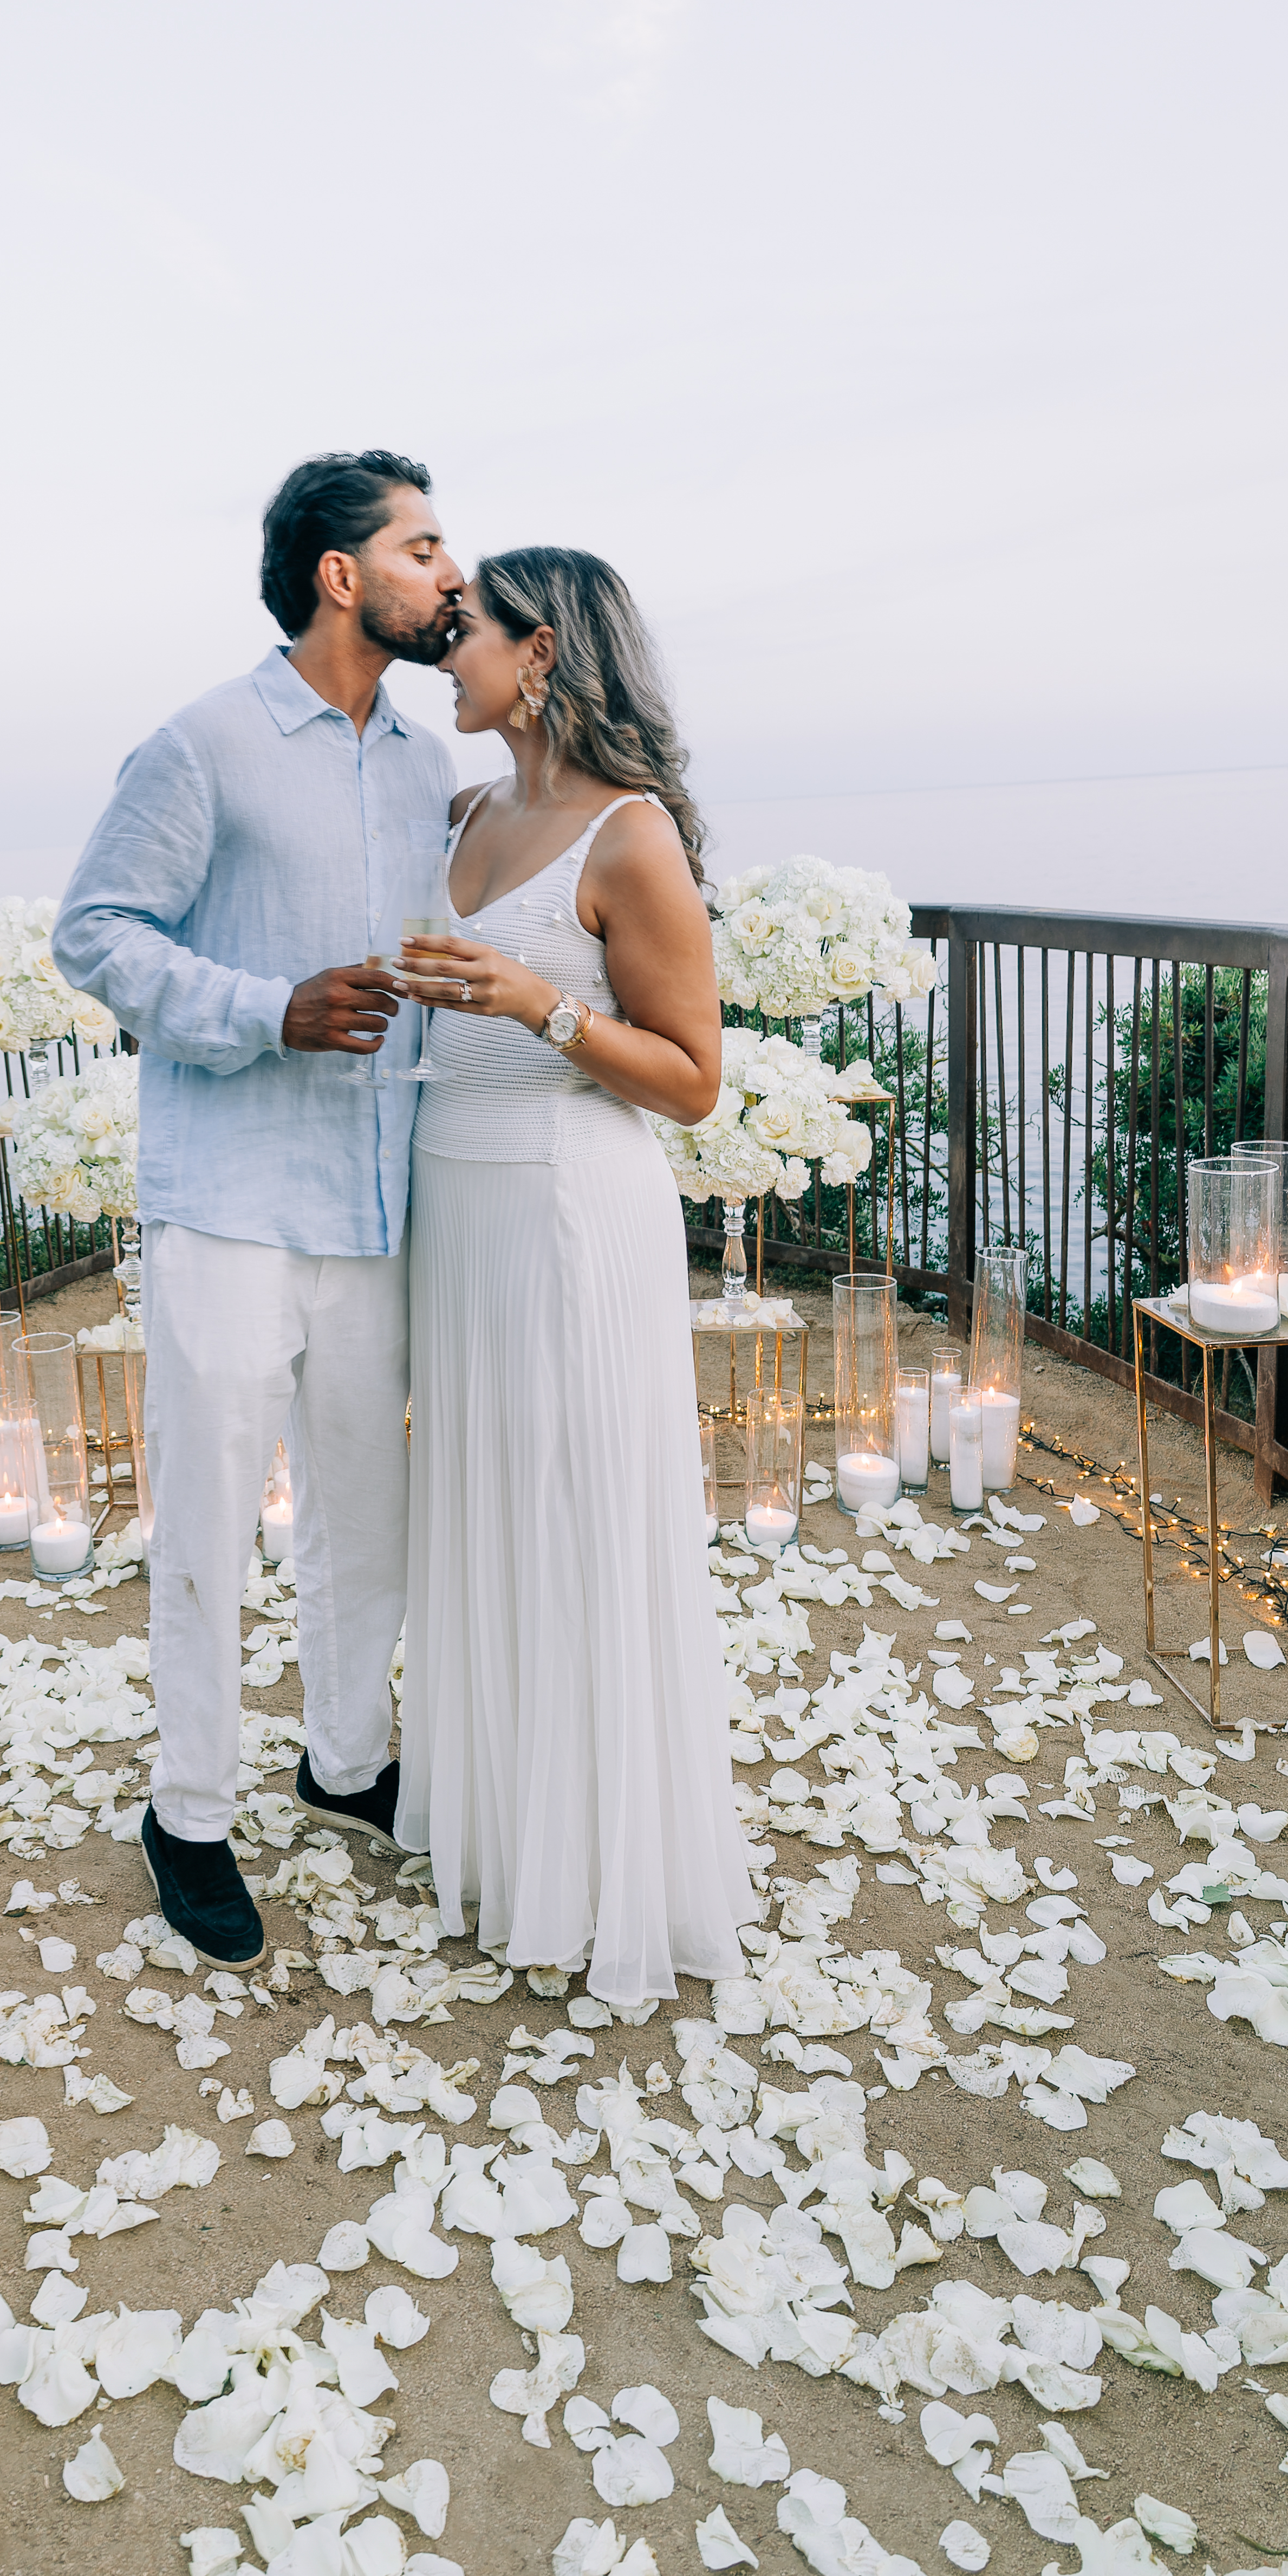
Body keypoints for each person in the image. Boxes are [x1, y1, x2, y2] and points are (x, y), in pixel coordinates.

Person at [52, 452, 460, 1967]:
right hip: (229, 1200)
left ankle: (344, 1761)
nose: (451, 576)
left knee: (367, 1515)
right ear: (341, 575)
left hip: (379, 1201)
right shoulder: (202, 744)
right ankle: (189, 1813)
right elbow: (95, 933)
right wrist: (265, 1009)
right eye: (423, 548)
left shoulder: (425, 764)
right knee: (213, 1523)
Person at [392, 546, 758, 2007]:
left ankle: (603, 1862)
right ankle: (504, 1833)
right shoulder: (464, 809)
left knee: (572, 1513)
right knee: (484, 1507)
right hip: (455, 1208)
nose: (447, 653)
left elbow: (693, 1082)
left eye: (466, 630)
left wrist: (543, 1004)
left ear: (540, 651)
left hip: (566, 1206)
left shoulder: (628, 836)